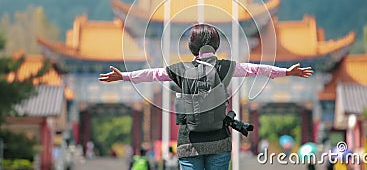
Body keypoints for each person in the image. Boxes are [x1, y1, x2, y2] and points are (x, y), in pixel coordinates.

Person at [99, 24, 313, 170]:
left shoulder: (180, 69)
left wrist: (123, 76)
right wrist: (286, 72)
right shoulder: (227, 67)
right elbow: (255, 69)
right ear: (216, 45)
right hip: (219, 140)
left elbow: (152, 74)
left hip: (188, 142)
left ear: (192, 47)